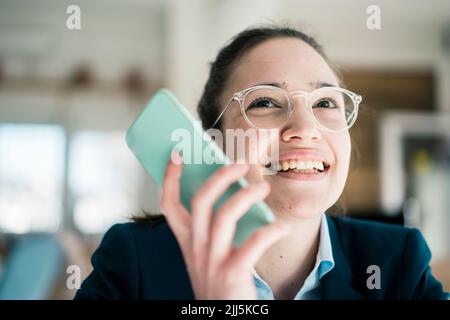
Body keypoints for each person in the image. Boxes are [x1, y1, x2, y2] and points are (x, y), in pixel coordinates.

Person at [74, 25, 449, 300]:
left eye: (325, 103)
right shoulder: (133, 260)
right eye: (265, 102)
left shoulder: (400, 263)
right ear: (214, 143)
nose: (305, 129)